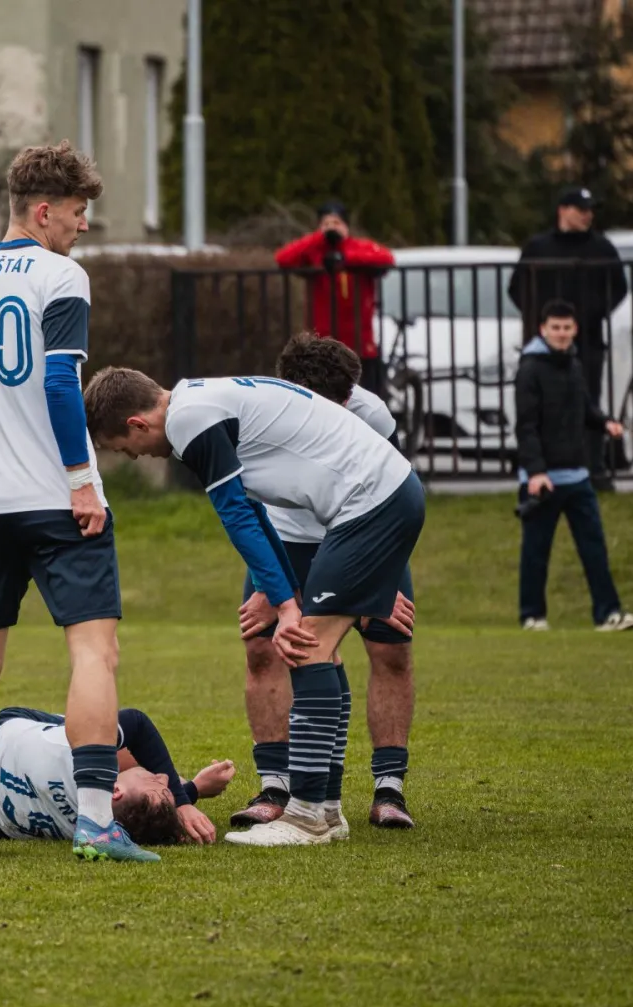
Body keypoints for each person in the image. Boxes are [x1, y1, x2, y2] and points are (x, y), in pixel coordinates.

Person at [0, 141, 151, 863]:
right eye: (77, 212)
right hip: (56, 499)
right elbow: (58, 383)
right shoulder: (62, 276)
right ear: (43, 211)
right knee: (94, 652)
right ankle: (96, 823)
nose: (83, 225)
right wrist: (81, 478)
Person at [82, 364, 424, 848]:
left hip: (369, 504)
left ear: (137, 424)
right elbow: (257, 509)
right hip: (379, 498)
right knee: (316, 645)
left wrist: (286, 608)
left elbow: (236, 514)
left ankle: (309, 815)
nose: (134, 456)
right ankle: (325, 809)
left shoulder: (189, 420)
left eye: (124, 448)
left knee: (306, 646)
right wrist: (284, 594)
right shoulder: (199, 400)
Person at [230, 334, 419, 834]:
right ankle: (276, 786)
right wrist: (273, 587)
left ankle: (389, 789)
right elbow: (243, 503)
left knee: (391, 648)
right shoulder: (258, 411)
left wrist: (377, 587)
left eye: (337, 405)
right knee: (262, 649)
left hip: (361, 538)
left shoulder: (372, 414)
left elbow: (394, 494)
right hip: (286, 542)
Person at [515, 300, 633, 633]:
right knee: (536, 551)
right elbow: (526, 426)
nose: (561, 333)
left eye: (566, 328)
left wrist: (605, 423)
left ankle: (608, 613)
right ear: (543, 329)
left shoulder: (573, 363)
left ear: (575, 330)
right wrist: (536, 472)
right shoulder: (530, 369)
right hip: (543, 480)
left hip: (577, 475)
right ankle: (532, 616)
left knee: (594, 547)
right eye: (555, 328)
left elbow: (584, 407)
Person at [507, 187, 629, 486]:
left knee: (587, 403)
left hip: (587, 341)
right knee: (539, 406)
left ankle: (593, 468)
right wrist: (541, 321)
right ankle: (539, 468)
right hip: (543, 347)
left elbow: (619, 288)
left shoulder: (601, 248)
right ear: (563, 210)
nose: (588, 215)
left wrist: (591, 316)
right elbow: (517, 288)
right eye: (581, 209)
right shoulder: (538, 247)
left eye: (590, 210)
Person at [0, 706, 236, 847]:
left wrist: (182, 801)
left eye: (154, 782)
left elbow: (137, 724)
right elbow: (141, 822)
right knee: (126, 761)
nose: (162, 776)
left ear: (115, 791)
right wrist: (189, 792)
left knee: (113, 747)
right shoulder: (96, 828)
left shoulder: (80, 758)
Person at [273, 199, 395, 398]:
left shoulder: (358, 247)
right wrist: (318, 238)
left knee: (367, 394)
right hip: (324, 338)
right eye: (326, 224)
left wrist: (344, 258)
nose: (331, 228)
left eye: (336, 223)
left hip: (359, 340)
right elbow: (283, 258)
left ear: (346, 226)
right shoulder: (315, 250)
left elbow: (385, 258)